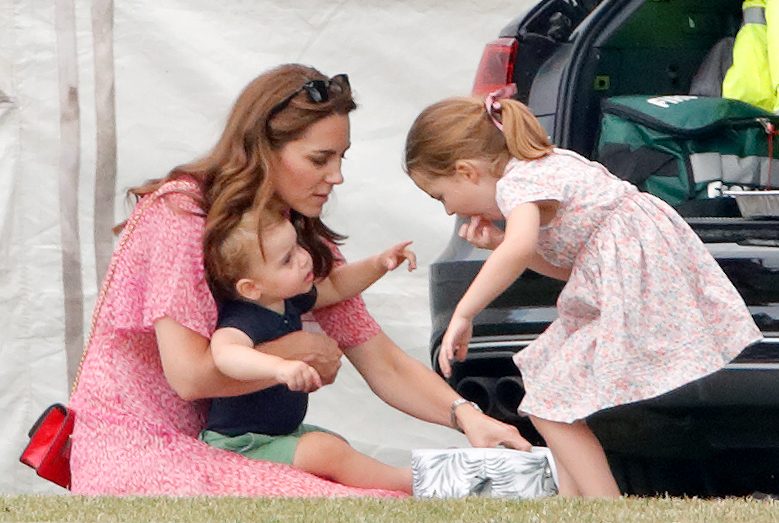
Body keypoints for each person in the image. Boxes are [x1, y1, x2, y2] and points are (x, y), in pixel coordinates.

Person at [68, 64, 527, 496]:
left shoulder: (297, 242)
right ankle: (457, 486)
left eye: (341, 157)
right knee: (367, 502)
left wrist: (468, 417)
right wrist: (293, 353)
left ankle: (479, 484)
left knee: (371, 490)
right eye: (319, 159)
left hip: (227, 450)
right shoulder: (182, 213)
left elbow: (381, 361)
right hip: (138, 450)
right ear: (263, 149)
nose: (338, 176)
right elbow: (189, 377)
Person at [401, 85, 763, 497]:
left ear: (467, 171)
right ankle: (573, 501)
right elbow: (562, 267)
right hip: (627, 275)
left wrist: (465, 312)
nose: (449, 210)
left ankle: (601, 504)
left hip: (638, 280)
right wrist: (498, 245)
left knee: (550, 401)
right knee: (546, 388)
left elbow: (520, 251)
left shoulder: (519, 182)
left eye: (441, 196)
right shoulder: (541, 167)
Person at [200, 207, 417, 493]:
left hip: (280, 434)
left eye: (298, 246)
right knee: (326, 451)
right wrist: (279, 366)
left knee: (335, 446)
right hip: (240, 445)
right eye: (287, 259)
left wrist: (379, 263)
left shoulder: (287, 299)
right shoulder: (242, 318)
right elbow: (225, 354)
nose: (303, 259)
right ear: (252, 287)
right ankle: (411, 482)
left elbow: (338, 286)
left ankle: (382, 485)